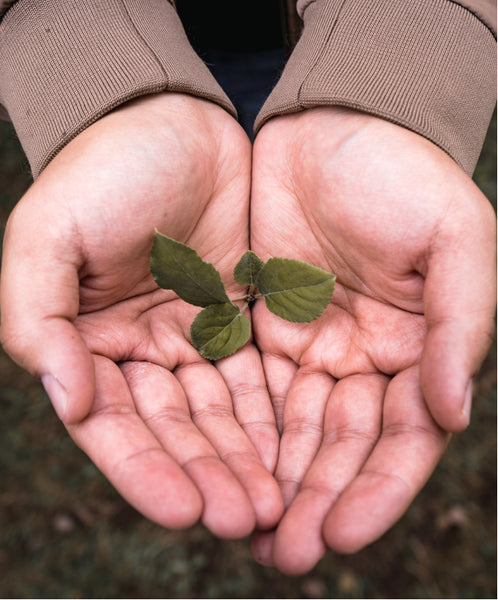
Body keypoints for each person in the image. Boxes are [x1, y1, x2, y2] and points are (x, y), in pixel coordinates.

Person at [0, 0, 495, 576]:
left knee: (273, 106)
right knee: (235, 127)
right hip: (116, 31)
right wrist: (100, 74)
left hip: (331, 35)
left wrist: (384, 73)